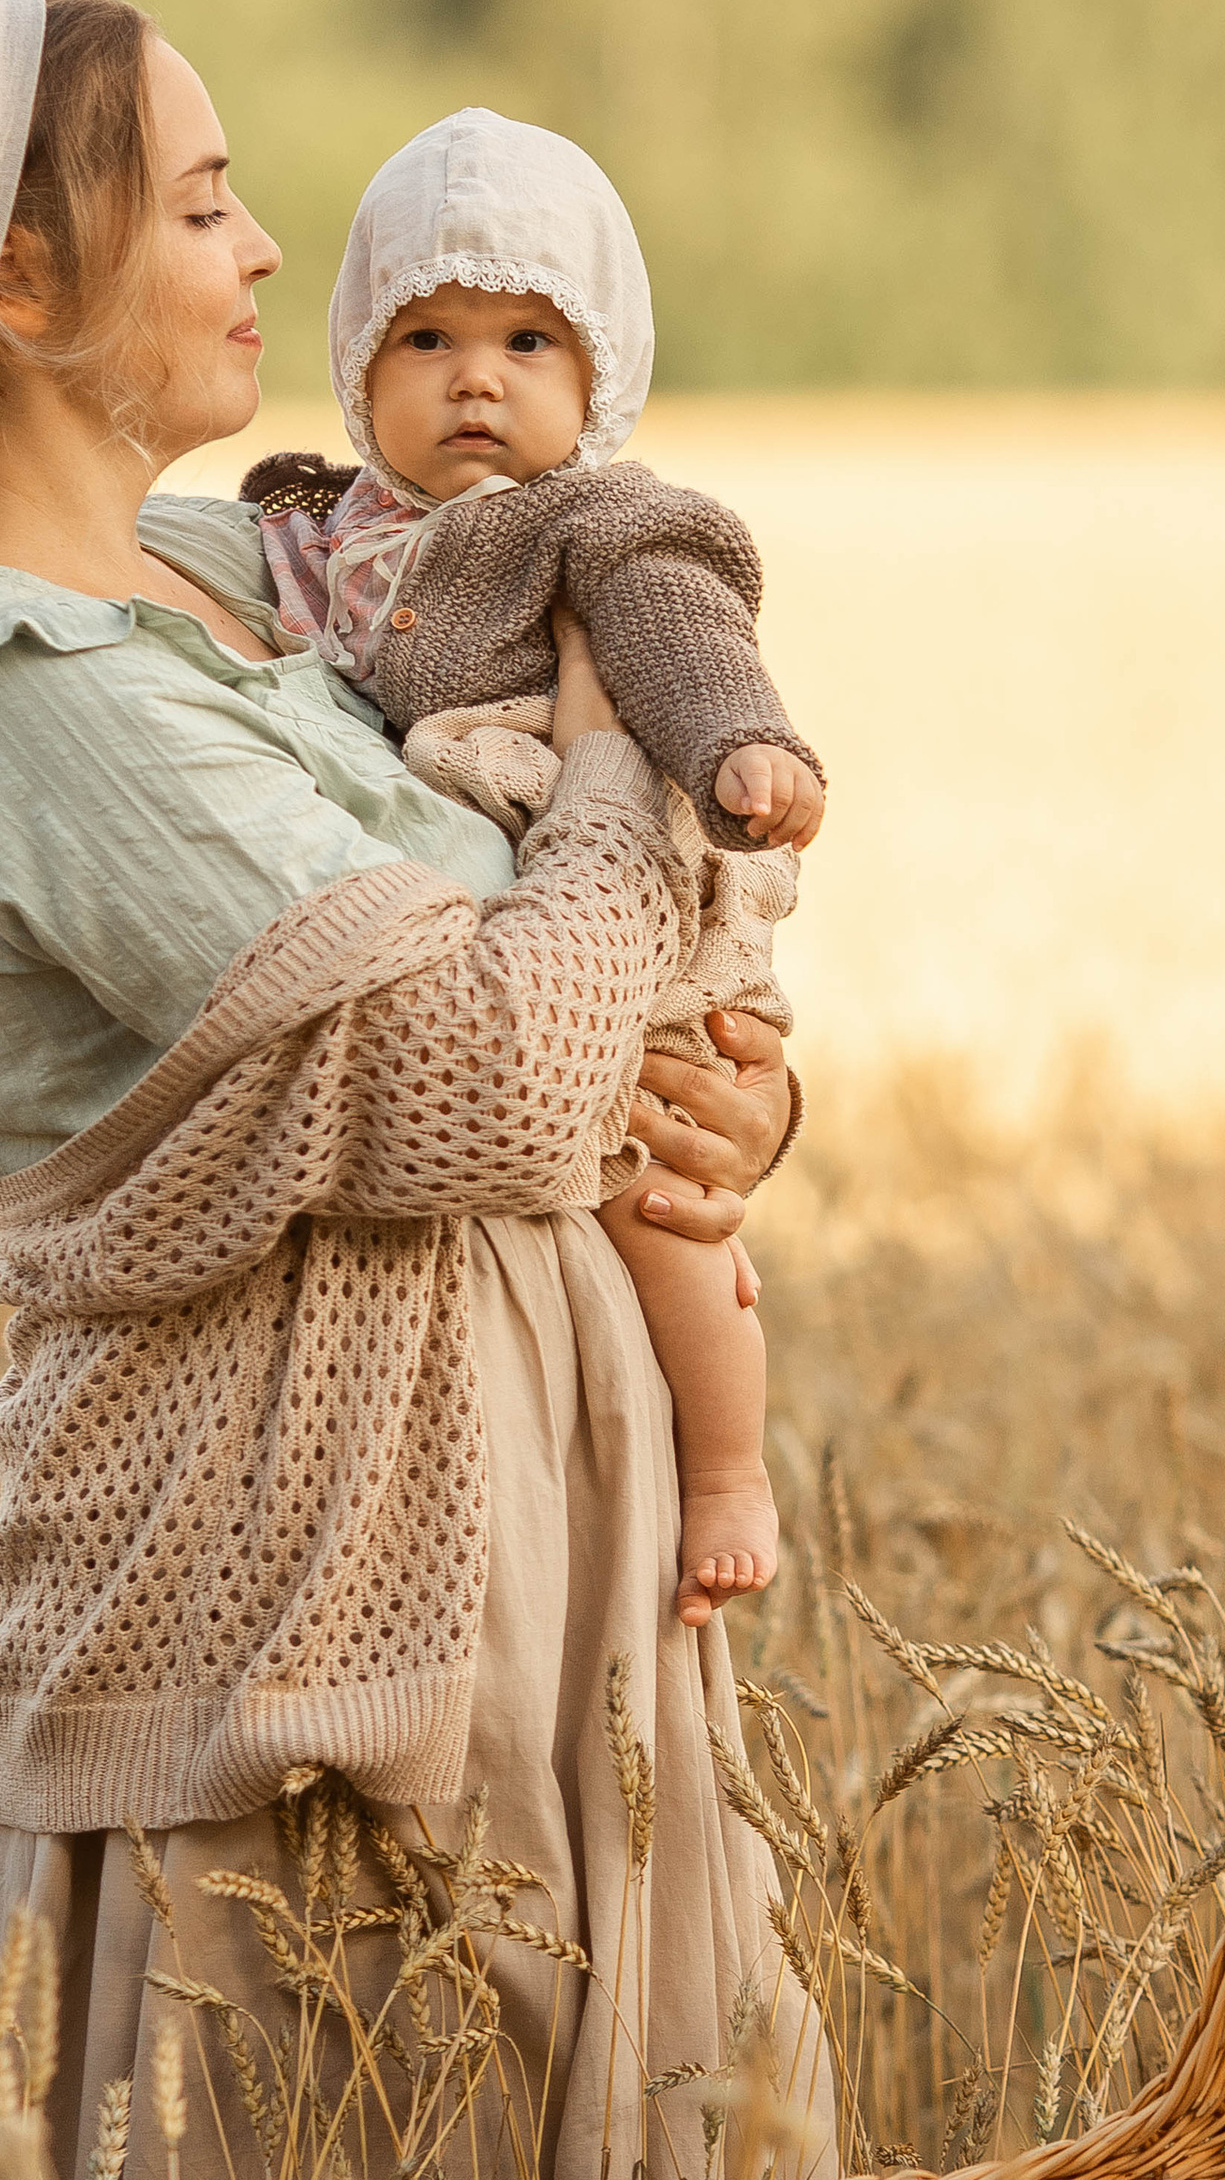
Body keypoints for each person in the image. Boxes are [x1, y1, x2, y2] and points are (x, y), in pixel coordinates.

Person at [0, 0, 832, 2180]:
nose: (263, 259)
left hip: (528, 1580)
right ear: (21, 283)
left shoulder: (222, 592)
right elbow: (494, 1071)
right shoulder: (34, 699)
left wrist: (734, 1102)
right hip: (296, 1673)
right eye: (204, 204)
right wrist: (622, 744)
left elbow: (559, 1024)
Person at [244, 108, 824, 1630]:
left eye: (525, 344)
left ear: (601, 377)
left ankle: (727, 1470)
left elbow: (680, 640)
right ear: (362, 368)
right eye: (424, 338)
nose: (475, 379)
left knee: (661, 1192)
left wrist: (742, 752)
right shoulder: (313, 522)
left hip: (635, 904)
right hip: (502, 913)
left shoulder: (600, 524)